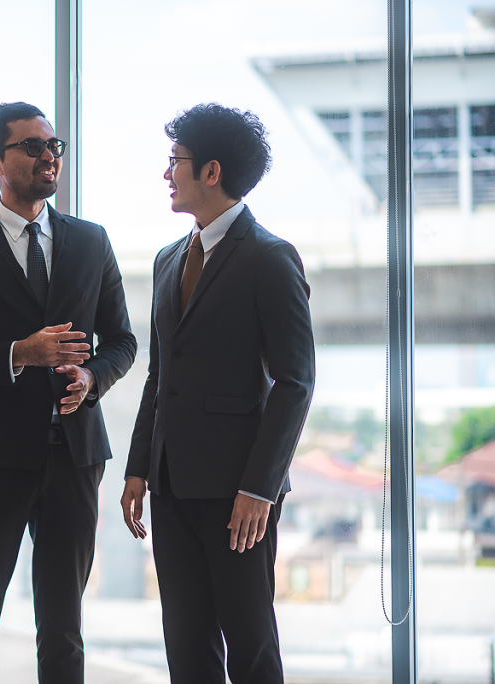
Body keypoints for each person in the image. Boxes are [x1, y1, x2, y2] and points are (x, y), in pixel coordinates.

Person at [0, 101, 137, 684]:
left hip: (76, 456)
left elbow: (122, 341)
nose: (50, 156)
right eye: (34, 146)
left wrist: (92, 377)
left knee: (64, 628)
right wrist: (22, 353)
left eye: (54, 145)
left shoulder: (91, 241)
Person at [120, 103, 315, 683]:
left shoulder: (270, 258)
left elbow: (296, 382)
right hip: (170, 484)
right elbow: (160, 374)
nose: (166, 174)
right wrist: (138, 468)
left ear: (211, 171)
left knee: (250, 646)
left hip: (238, 495)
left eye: (174, 161)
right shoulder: (168, 260)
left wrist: (259, 488)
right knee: (186, 648)